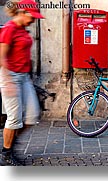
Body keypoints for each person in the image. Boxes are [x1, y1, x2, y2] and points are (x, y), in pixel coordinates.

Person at [0, 0, 44, 166]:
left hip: (24, 77)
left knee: (32, 115)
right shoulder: (9, 29)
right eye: (32, 16)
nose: (34, 20)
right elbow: (1, 56)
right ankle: (6, 154)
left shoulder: (23, 30)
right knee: (14, 119)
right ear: (23, 12)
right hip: (10, 76)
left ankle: (12, 142)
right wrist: (8, 80)